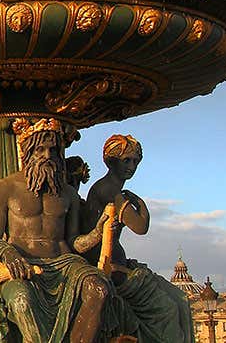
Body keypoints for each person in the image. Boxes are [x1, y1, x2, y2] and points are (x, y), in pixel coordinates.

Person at [0, 118, 110, 343]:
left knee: (99, 288)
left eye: (53, 150)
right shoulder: (4, 188)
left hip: (65, 263)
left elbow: (73, 241)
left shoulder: (68, 193)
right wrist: (9, 254)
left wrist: (97, 234)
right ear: (27, 151)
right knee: (21, 300)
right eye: (40, 149)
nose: (47, 156)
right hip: (22, 266)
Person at [72, 135, 193, 342]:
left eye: (135, 161)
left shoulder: (107, 187)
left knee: (180, 300)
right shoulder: (111, 190)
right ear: (110, 161)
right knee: (170, 309)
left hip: (118, 265)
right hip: (113, 269)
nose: (132, 166)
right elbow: (140, 227)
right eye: (126, 160)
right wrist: (141, 204)